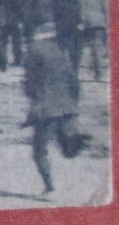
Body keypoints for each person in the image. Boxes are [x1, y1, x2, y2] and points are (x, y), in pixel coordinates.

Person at [22, 29, 90, 194]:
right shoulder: (60, 52)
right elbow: (74, 81)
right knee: (65, 143)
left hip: (46, 109)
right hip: (66, 107)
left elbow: (30, 81)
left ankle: (50, 188)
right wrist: (73, 103)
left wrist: (33, 99)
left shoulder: (33, 50)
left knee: (39, 150)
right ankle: (74, 143)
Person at [77, 0, 108, 81]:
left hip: (88, 22)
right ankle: (99, 73)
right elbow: (105, 6)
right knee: (97, 47)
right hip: (100, 21)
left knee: (81, 46)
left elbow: (82, 7)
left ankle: (76, 72)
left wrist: (81, 21)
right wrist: (106, 20)